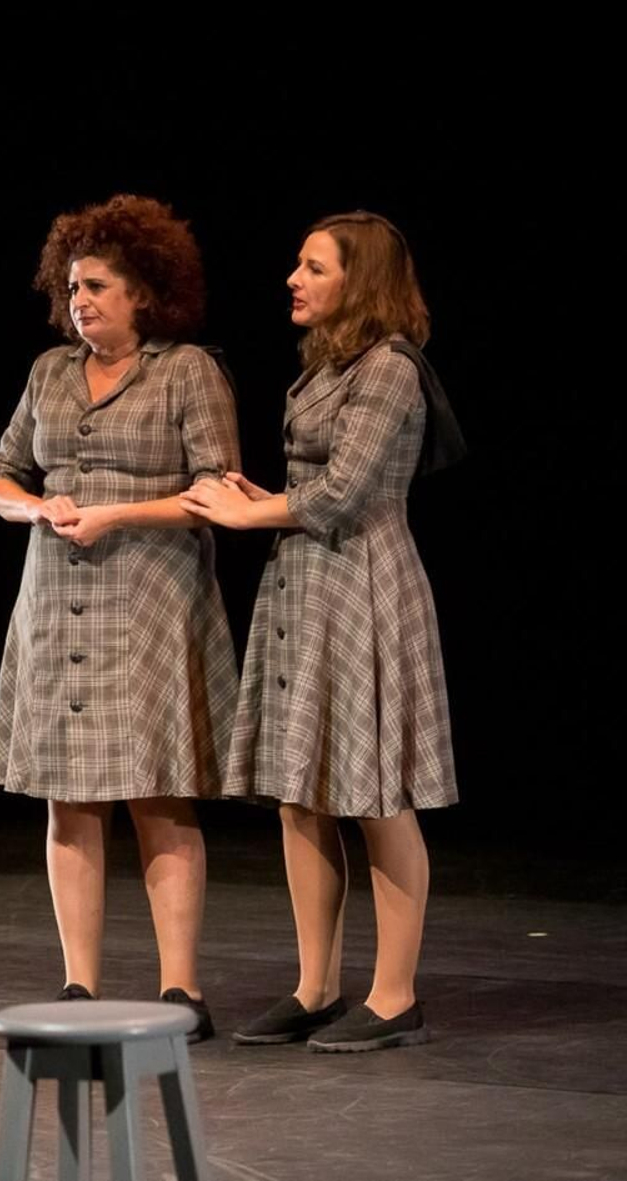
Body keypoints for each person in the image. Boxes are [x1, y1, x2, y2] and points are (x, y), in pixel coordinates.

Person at [180, 211, 461, 1052]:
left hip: (365, 585)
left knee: (375, 792)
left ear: (358, 281)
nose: (293, 279)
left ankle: (395, 992)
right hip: (303, 583)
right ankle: (315, 985)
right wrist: (256, 494)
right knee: (302, 793)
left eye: (314, 267)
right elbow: (315, 488)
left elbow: (342, 496)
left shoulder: (389, 371)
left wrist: (244, 510)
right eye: (297, 265)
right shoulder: (324, 369)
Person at [0, 194, 239, 1040]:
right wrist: (35, 508)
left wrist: (116, 513)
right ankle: (79, 985)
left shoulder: (187, 371)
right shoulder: (49, 372)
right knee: (69, 800)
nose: (79, 299)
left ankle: (181, 990)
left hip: (153, 607)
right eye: (71, 286)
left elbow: (218, 490)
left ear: (144, 293)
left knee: (156, 796)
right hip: (56, 605)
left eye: (96, 285)